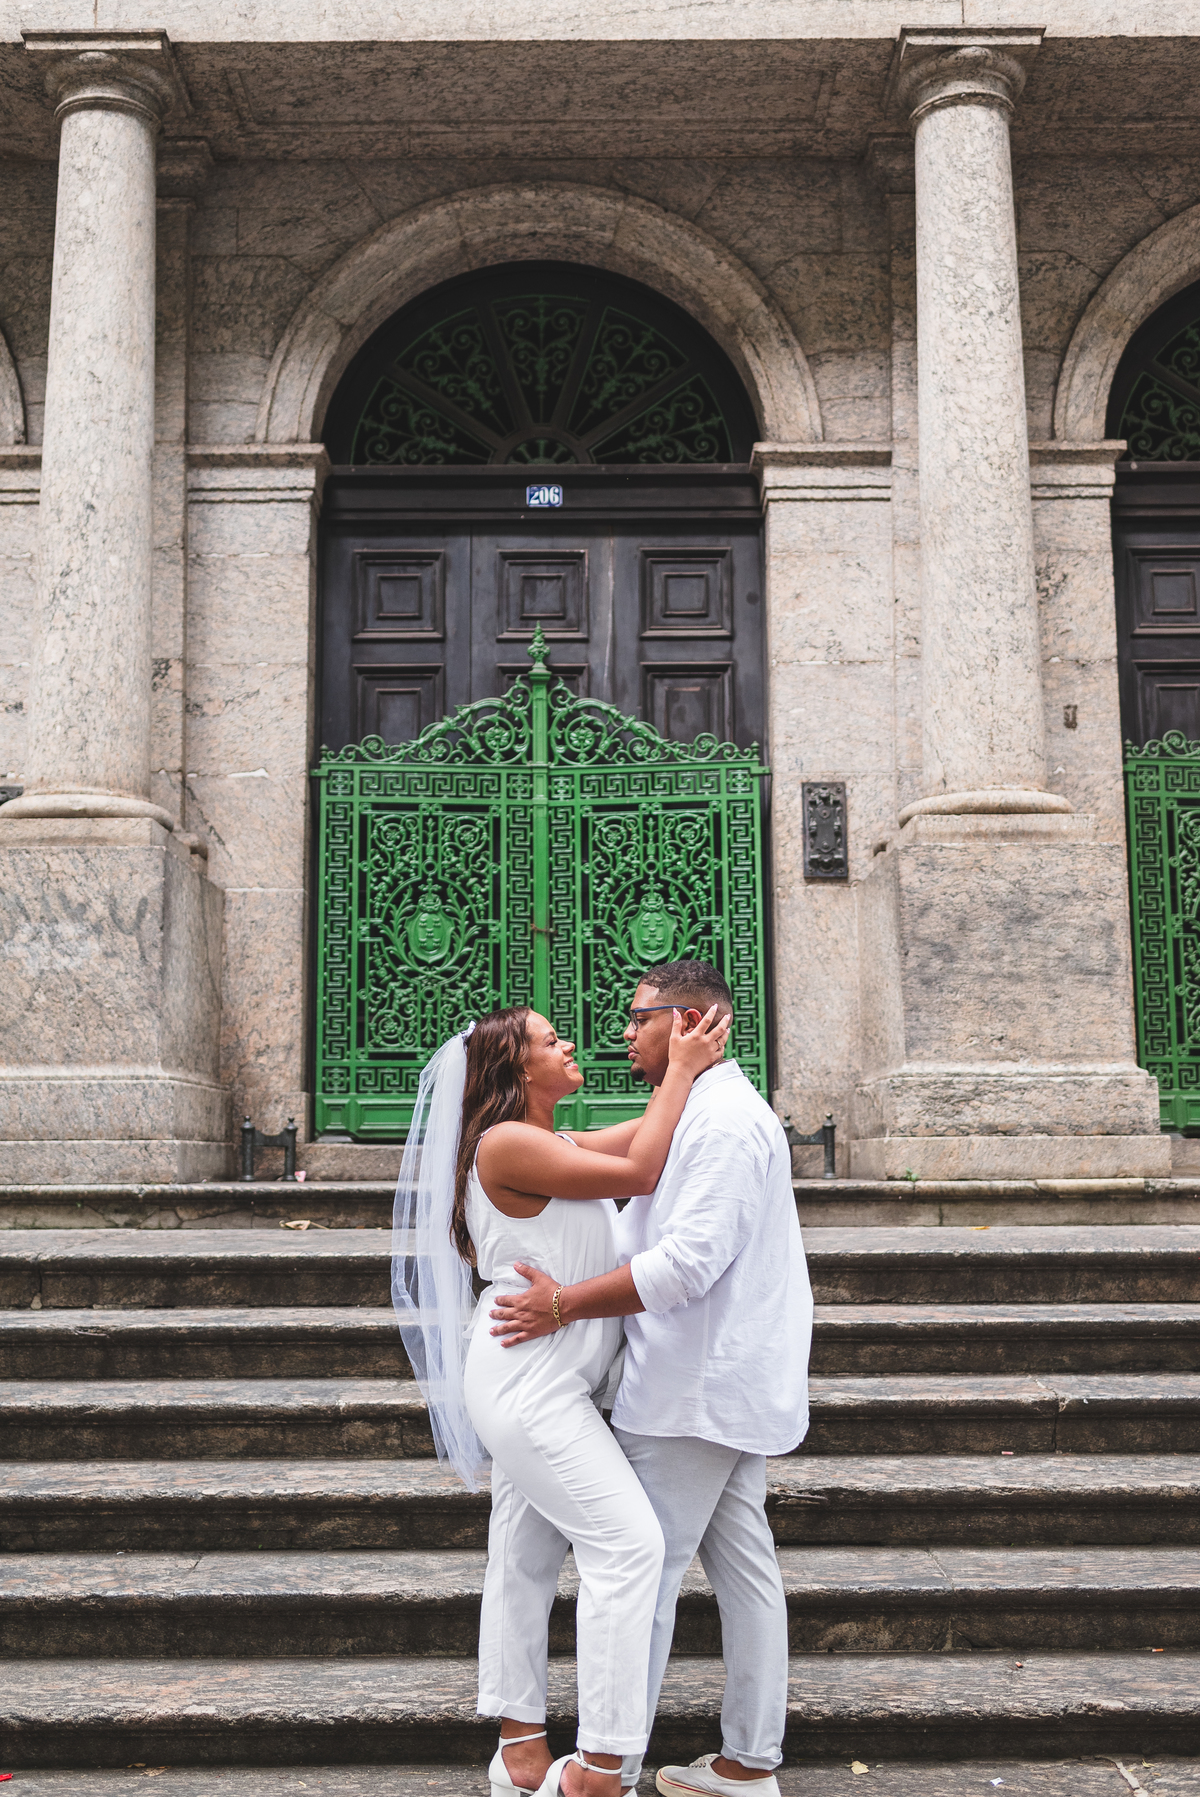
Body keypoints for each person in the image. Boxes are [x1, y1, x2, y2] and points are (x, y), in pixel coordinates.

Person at [489, 960, 813, 1797]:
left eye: (640, 1018)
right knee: (744, 1566)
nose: (624, 1033)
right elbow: (602, 1157)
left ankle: (607, 1770)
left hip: (691, 1385)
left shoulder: (725, 1122)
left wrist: (563, 1303)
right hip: (711, 1375)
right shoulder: (699, 1107)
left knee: (639, 1571)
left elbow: (685, 1266)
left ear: (690, 1021)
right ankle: (749, 1761)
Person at [392, 999, 730, 1797]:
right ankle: (600, 1766)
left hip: (549, 1376)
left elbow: (654, 1138)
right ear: (516, 1068)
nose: (570, 1043)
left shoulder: (552, 1143)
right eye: (551, 1039)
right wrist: (682, 1068)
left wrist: (698, 1077)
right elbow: (641, 1169)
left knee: (523, 1551)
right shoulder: (506, 1143)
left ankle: (519, 1746)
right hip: (529, 1381)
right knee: (629, 1545)